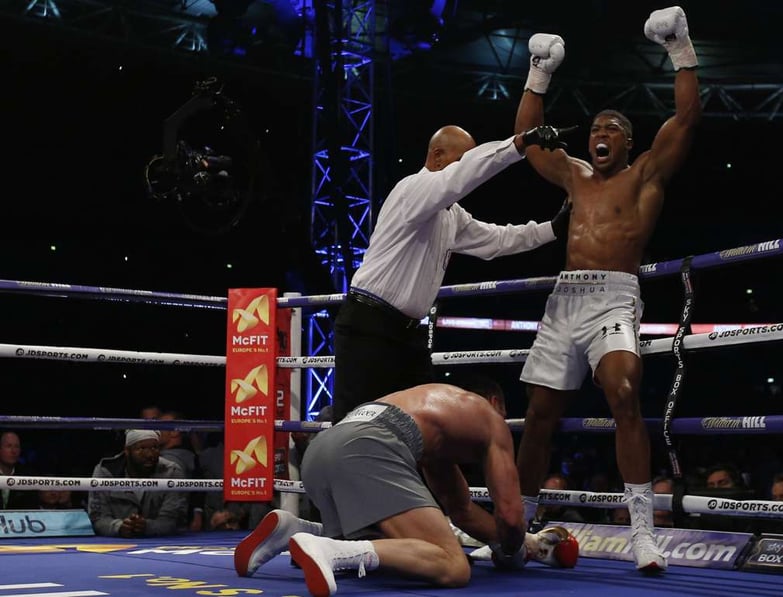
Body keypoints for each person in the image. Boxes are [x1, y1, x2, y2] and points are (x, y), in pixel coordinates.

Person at [512, 5, 701, 573]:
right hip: (564, 297)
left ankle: (644, 532)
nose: (599, 134)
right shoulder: (573, 173)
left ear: (627, 141)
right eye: (594, 128)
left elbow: (687, 120)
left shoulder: (645, 175)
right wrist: (538, 75)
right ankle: (517, 529)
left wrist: (680, 49)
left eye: (611, 130)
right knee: (539, 415)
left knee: (623, 392)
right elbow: (526, 140)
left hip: (615, 296)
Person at [234, 384, 578, 597]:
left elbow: (460, 511)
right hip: (366, 448)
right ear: (494, 401)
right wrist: (515, 552)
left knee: (396, 550)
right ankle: (328, 549)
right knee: (452, 567)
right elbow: (510, 515)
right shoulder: (491, 420)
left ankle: (294, 531)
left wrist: (530, 545)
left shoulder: (436, 422)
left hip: (324, 449)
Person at [330, 124, 574, 424]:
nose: (468, 171)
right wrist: (520, 143)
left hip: (408, 336)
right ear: (436, 157)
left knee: (419, 430)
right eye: (462, 160)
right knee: (354, 429)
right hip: (368, 328)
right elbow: (463, 176)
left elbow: (495, 240)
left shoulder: (451, 214)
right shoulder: (412, 190)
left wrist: (551, 229)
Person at [87, 429, 188, 537]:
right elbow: (97, 517)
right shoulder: (105, 471)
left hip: (160, 541)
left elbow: (174, 519)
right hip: (116, 542)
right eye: (142, 448)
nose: (149, 454)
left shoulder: (171, 472)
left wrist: (147, 526)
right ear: (127, 450)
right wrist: (119, 527)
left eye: (154, 447)